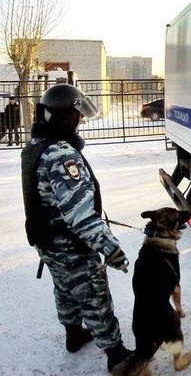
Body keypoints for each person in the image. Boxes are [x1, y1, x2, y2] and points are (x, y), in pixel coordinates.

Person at [20, 84, 132, 373]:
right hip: (70, 243)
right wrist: (111, 249)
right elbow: (81, 217)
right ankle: (116, 354)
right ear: (66, 117)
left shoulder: (35, 147)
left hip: (46, 240)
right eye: (77, 115)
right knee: (93, 294)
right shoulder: (61, 156)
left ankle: (73, 334)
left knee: (65, 287)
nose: (81, 121)